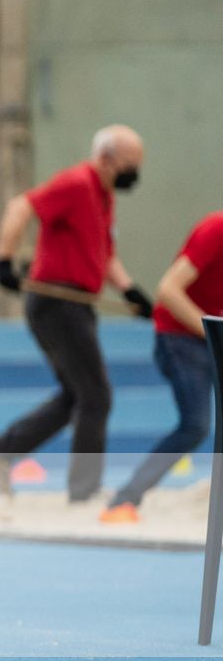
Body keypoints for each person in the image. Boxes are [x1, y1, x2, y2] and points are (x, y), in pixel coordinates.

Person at [0, 126, 151, 503]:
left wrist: (130, 291)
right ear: (105, 159)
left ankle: (4, 448)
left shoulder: (104, 196)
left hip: (79, 304)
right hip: (57, 303)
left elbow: (105, 254)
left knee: (78, 395)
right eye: (129, 165)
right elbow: (20, 206)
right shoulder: (76, 183)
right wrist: (4, 260)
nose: (134, 174)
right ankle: (84, 489)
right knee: (97, 395)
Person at [101, 211, 223, 523]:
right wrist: (213, 332)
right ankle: (124, 499)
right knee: (195, 425)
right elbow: (168, 290)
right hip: (179, 337)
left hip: (209, 333)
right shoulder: (215, 229)